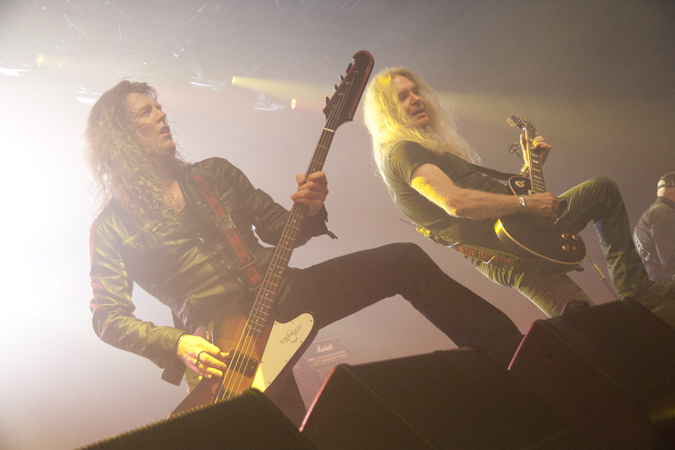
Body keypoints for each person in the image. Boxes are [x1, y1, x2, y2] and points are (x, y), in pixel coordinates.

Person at [85, 80, 524, 424]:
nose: (162, 114)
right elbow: (107, 317)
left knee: (403, 261)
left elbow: (279, 229)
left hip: (284, 291)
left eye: (158, 106)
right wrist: (178, 343)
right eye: (146, 112)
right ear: (121, 137)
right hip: (225, 346)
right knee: (280, 428)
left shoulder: (212, 174)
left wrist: (310, 210)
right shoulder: (110, 228)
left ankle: (515, 357)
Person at [362, 67, 675, 322]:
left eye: (416, 91)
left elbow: (496, 199)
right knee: (590, 324)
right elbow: (456, 203)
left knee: (602, 190)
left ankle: (638, 289)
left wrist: (530, 167)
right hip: (508, 254)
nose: (416, 99)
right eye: (403, 96)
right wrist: (528, 203)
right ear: (387, 111)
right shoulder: (402, 152)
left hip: (523, 227)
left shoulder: (429, 148)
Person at [634, 172, 675, 281]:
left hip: (654, 285)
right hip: (665, 286)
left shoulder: (652, 213)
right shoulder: (662, 212)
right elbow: (669, 258)